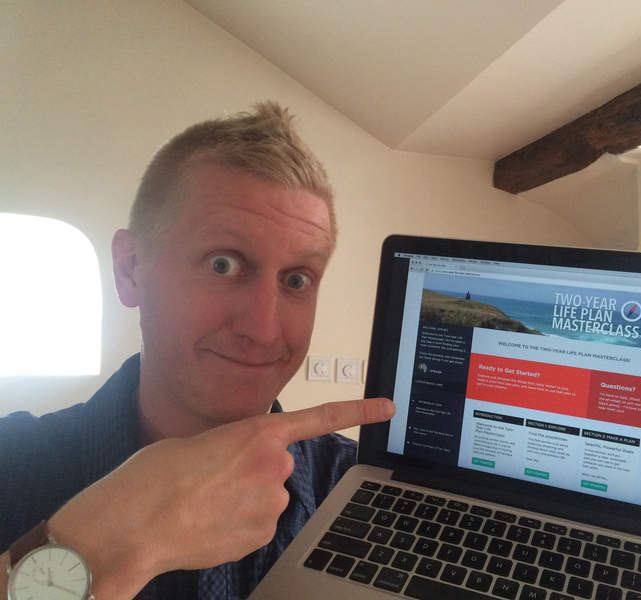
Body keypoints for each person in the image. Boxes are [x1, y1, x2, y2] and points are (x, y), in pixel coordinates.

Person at [0, 102, 395, 599]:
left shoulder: (359, 494)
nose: (263, 331)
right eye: (222, 264)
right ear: (129, 269)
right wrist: (87, 550)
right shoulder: (11, 465)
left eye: (297, 280)